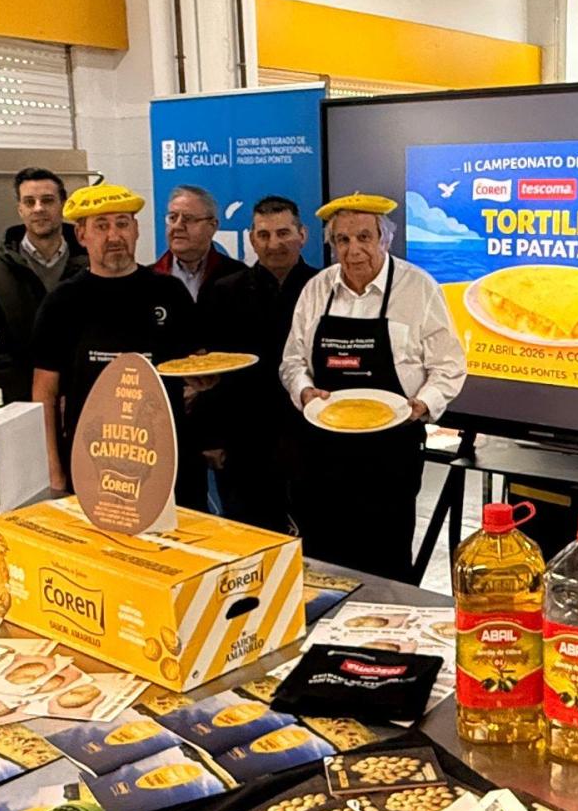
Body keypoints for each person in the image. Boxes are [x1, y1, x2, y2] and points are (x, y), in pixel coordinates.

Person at [280, 193, 466, 580]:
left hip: (390, 454)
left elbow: (450, 365)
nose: (354, 251)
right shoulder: (316, 289)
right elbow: (292, 361)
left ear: (385, 239)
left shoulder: (418, 288)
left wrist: (421, 404)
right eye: (342, 240)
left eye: (365, 237)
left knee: (386, 561)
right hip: (321, 453)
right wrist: (304, 392)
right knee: (322, 562)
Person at [30, 183, 197, 493]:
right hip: (91, 465)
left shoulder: (170, 292)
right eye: (101, 226)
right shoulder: (62, 302)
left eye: (122, 224)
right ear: (81, 235)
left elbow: (193, 369)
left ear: (136, 230)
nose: (114, 236)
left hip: (167, 461)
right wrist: (54, 473)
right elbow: (44, 393)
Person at [199, 195, 318, 532]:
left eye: (283, 233)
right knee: (250, 538)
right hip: (244, 445)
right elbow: (210, 371)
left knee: (317, 542)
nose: (274, 244)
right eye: (264, 235)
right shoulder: (223, 292)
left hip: (311, 441)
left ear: (302, 235)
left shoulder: (324, 288)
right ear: (252, 239)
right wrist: (212, 438)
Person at [153, 184, 245, 510]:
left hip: (228, 427)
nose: (178, 226)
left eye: (189, 219)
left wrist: (216, 433)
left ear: (213, 226)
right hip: (168, 425)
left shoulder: (240, 279)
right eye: (172, 217)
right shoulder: (148, 282)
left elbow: (245, 358)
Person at [0, 168, 88, 402]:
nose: (38, 208)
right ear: (20, 209)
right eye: (29, 202)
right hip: (21, 400)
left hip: (86, 396)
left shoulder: (92, 264)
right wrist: (36, 397)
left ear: (63, 205)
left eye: (48, 200)